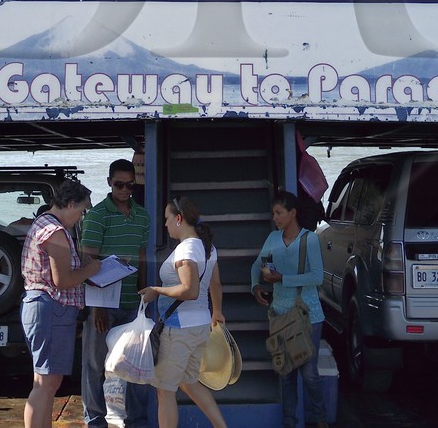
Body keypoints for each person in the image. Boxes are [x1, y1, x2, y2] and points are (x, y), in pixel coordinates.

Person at [139, 195, 229, 428]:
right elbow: (215, 285)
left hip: (179, 330)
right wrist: (216, 311)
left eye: (168, 219)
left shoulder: (186, 249)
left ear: (179, 218)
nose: (165, 224)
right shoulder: (207, 247)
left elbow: (189, 290)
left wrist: (155, 290)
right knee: (189, 382)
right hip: (199, 327)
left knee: (164, 391)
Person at [19, 177, 101, 428]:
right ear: (70, 203)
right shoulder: (55, 232)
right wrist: (91, 270)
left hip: (42, 307)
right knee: (46, 384)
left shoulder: (43, 223)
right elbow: (62, 280)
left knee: (45, 382)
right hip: (51, 308)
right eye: (81, 210)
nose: (81, 217)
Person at [80, 159, 154, 428]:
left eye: (130, 185)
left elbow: (143, 255)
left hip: (133, 302)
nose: (125, 190)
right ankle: (95, 420)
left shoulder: (143, 215)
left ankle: (138, 420)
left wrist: (144, 294)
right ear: (109, 183)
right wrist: (97, 306)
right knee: (95, 364)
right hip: (103, 302)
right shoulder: (97, 215)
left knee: (136, 364)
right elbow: (88, 260)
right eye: (120, 184)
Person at [250, 191, 327, 428]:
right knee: (286, 372)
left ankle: (319, 419)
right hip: (280, 314)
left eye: (279, 213)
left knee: (309, 373)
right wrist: (256, 287)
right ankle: (289, 422)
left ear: (292, 213)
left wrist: (282, 278)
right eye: (274, 213)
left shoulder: (309, 240)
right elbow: (257, 264)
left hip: (307, 314)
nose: (275, 218)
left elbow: (317, 277)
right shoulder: (273, 238)